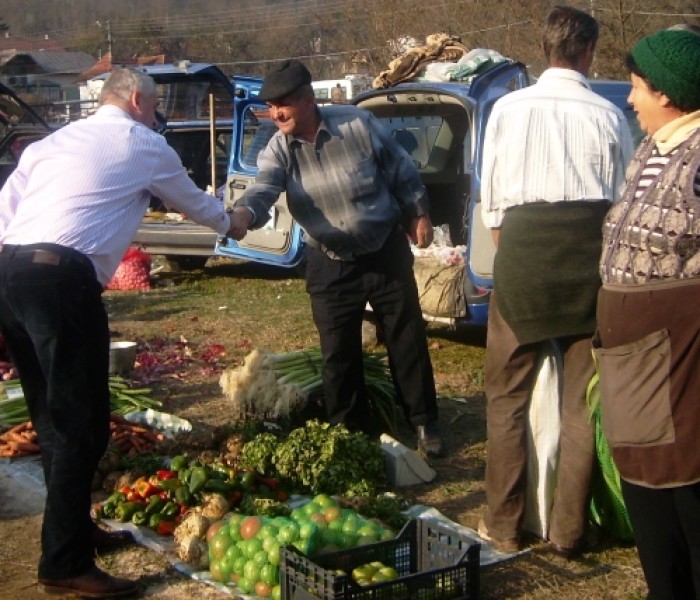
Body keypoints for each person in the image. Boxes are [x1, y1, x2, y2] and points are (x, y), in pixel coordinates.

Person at [0, 67, 248, 598]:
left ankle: (72, 532)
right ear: (138, 100)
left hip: (12, 272)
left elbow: (7, 207)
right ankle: (63, 563)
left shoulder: (54, 141)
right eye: (156, 107)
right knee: (81, 426)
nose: (158, 117)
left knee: (49, 418)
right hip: (62, 282)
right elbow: (196, 205)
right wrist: (235, 221)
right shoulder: (142, 142)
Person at [478, 5, 634, 556]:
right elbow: (622, 206)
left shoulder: (506, 109)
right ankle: (568, 533)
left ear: (546, 48)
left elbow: (491, 204)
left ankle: (502, 526)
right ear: (588, 51)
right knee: (577, 409)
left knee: (506, 403)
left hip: (522, 261)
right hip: (586, 270)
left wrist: (517, 262)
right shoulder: (609, 114)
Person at [229, 59, 443, 457]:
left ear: (309, 100)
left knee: (406, 340)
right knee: (338, 355)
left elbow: (400, 167)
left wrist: (418, 212)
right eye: (271, 105)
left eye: (284, 104)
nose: (276, 113)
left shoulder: (356, 124)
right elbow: (264, 189)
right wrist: (243, 214)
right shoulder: (279, 147)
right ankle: (350, 435)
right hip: (329, 261)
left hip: (383, 250)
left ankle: (423, 423)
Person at [596, 29, 700, 599]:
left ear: (667, 92)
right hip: (637, 365)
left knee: (687, 496)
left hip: (681, 368)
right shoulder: (651, 150)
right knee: (649, 499)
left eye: (637, 87)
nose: (630, 98)